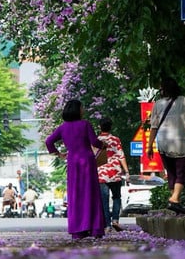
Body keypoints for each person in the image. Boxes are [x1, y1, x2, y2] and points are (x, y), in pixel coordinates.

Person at [45, 99, 106, 239]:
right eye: (82, 108)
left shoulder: (62, 128)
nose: (83, 110)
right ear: (77, 110)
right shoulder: (85, 124)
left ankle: (78, 230)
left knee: (76, 194)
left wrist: (58, 154)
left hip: (73, 162)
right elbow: (94, 142)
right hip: (87, 162)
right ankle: (95, 228)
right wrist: (104, 145)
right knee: (91, 193)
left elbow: (49, 141)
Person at [146, 76, 185, 215]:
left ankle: (175, 202)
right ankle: (175, 199)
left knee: (171, 173)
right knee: (181, 173)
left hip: (163, 143)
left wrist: (150, 145)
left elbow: (154, 126)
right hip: (181, 143)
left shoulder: (157, 104)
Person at [97, 117, 129, 232]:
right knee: (116, 197)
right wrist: (127, 172)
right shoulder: (116, 140)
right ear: (111, 127)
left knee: (104, 200)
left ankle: (107, 225)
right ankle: (115, 220)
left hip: (101, 174)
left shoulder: (96, 140)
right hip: (115, 173)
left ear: (100, 127)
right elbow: (121, 155)